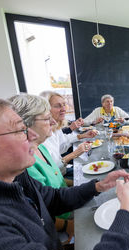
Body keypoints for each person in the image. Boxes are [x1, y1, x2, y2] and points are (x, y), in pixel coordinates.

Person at [0, 91, 129, 250]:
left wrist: (98, 186)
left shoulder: (15, 178)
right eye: (19, 130)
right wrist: (126, 212)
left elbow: (52, 198)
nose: (31, 136)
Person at [8, 94, 76, 239]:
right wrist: (67, 225)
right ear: (25, 125)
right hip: (61, 222)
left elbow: (57, 180)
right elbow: (39, 213)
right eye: (46, 118)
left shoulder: (41, 147)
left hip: (68, 203)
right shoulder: (24, 166)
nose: (52, 121)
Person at [42, 92, 97, 176]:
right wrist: (74, 154)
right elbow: (52, 172)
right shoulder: (41, 138)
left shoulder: (55, 128)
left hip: (62, 171)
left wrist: (82, 136)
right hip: (59, 178)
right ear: (45, 110)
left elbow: (62, 146)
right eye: (57, 106)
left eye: (64, 105)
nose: (63, 109)